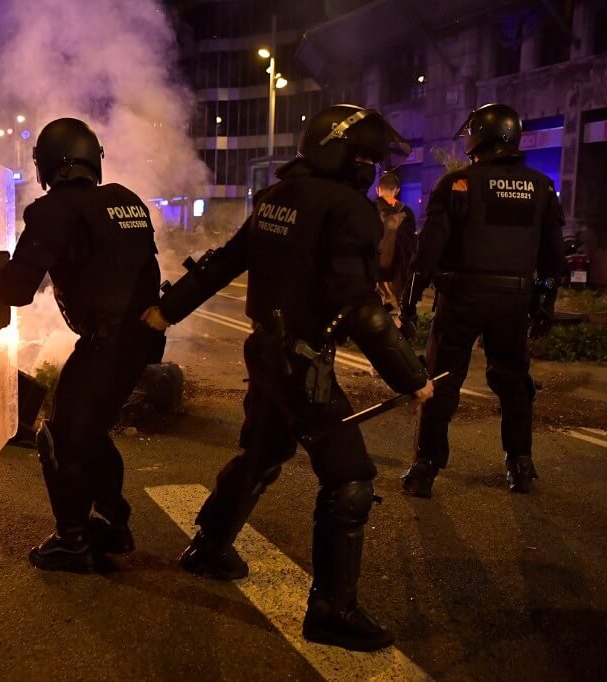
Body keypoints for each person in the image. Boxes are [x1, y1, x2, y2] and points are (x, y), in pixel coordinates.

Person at [142, 104, 433, 652]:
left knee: (265, 450)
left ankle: (209, 547)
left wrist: (167, 310)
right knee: (349, 478)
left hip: (266, 352)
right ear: (341, 153)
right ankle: (331, 611)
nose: (370, 168)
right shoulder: (349, 209)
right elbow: (358, 305)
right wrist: (411, 376)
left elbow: (224, 261)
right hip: (304, 361)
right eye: (365, 156)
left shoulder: (278, 198)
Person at [0, 118, 166, 573]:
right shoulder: (125, 201)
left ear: (50, 165)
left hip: (105, 344)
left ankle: (73, 541)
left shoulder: (56, 209)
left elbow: (16, 290)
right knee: (89, 432)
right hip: (140, 343)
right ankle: (113, 522)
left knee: (59, 436)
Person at [399, 103, 565, 497]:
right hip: (514, 299)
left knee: (442, 381)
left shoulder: (459, 184)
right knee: (514, 383)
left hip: (462, 297)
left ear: (477, 136)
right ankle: (521, 465)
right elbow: (554, 259)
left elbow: (428, 252)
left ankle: (425, 468)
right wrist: (544, 302)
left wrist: (409, 301)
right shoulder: (541, 187)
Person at [374, 172, 417, 310]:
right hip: (396, 273)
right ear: (397, 190)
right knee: (397, 312)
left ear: (377, 189)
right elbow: (410, 246)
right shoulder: (406, 213)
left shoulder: (368, 209)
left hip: (372, 272)